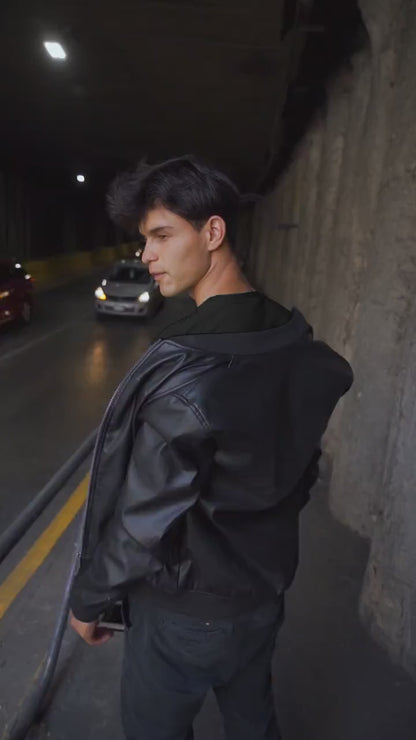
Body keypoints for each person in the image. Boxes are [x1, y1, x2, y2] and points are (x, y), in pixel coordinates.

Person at [69, 155, 353, 740]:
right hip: (264, 591)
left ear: (213, 232)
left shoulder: (188, 370)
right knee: (253, 719)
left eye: (162, 235)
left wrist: (90, 598)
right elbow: (300, 468)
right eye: (145, 240)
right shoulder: (291, 338)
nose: (147, 255)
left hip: (184, 612)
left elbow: (144, 519)